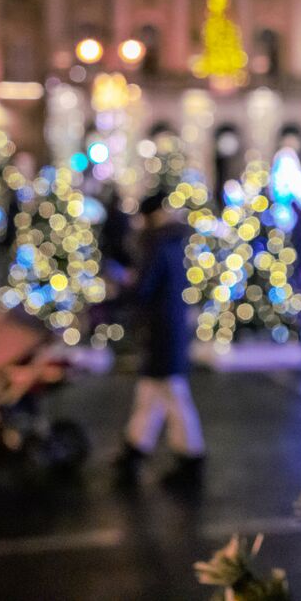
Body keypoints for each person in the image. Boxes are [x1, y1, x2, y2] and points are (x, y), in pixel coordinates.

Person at [116, 190, 205, 489]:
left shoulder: (157, 243)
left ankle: (191, 457)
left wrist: (122, 287)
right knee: (152, 391)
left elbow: (145, 288)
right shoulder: (172, 241)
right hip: (167, 328)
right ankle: (135, 448)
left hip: (161, 331)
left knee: (171, 392)